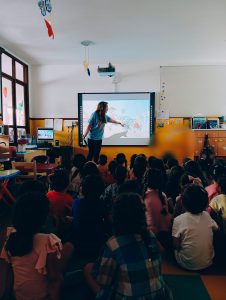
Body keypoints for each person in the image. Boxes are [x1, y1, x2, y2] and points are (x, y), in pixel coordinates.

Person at [84, 193, 173, 300]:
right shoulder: (149, 236)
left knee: (88, 268)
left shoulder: (113, 245)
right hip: (158, 296)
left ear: (115, 216)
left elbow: (103, 280)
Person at [0, 192, 74, 300]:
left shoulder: (9, 234)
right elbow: (54, 282)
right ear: (43, 218)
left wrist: (7, 294)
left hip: (19, 295)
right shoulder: (47, 241)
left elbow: (9, 271)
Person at [172, 184, 218, 270]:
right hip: (208, 263)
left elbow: (176, 246)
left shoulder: (178, 220)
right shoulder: (207, 215)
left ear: (183, 203)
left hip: (186, 264)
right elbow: (216, 228)